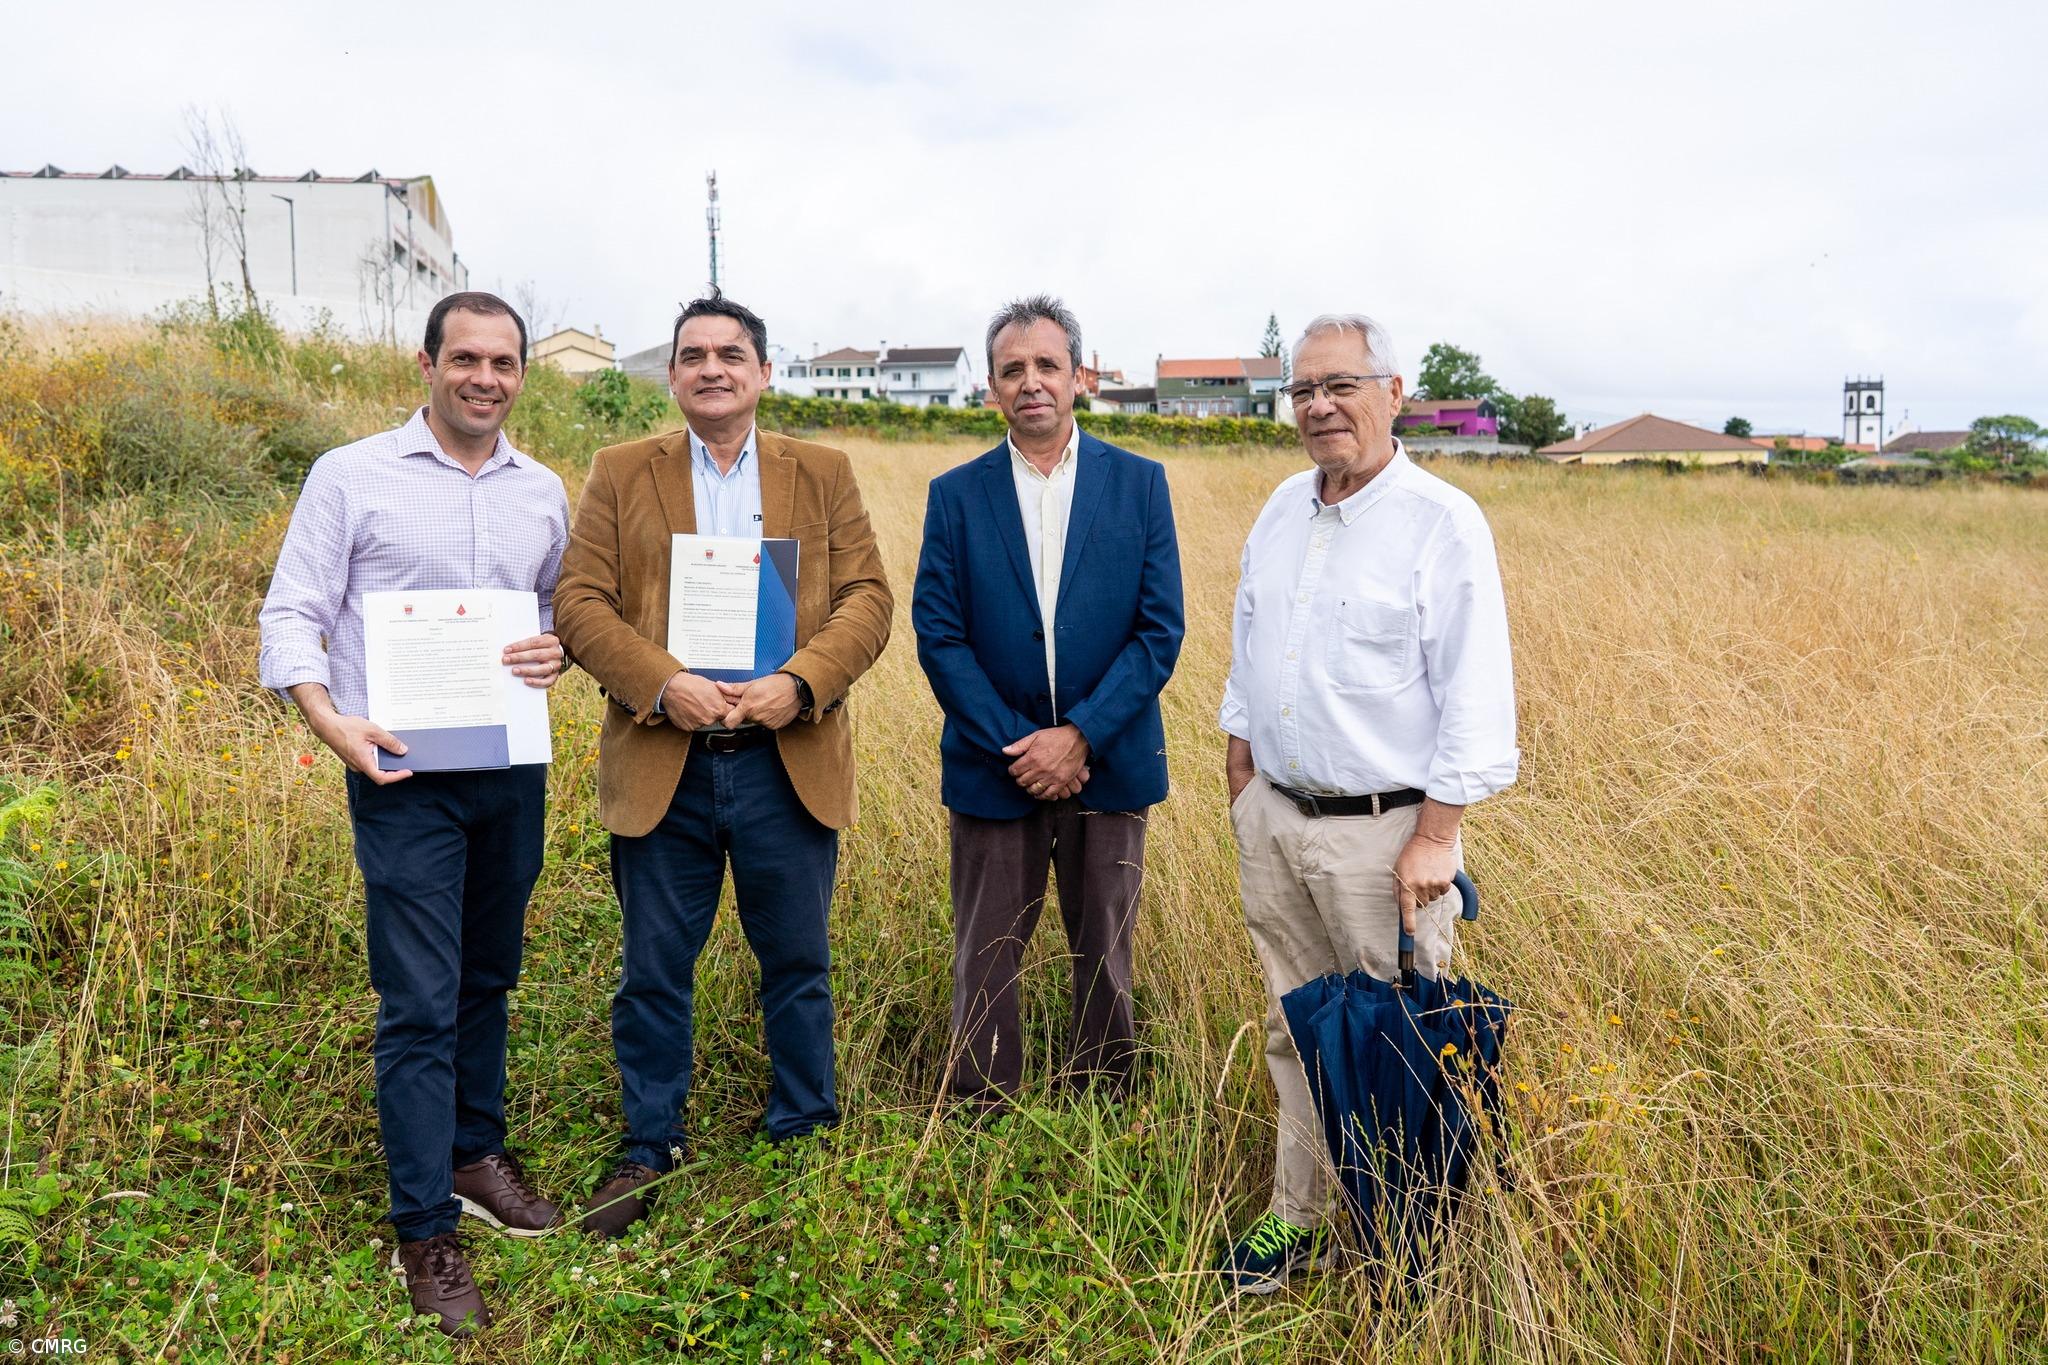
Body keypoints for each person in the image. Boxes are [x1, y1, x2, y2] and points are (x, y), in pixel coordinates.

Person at [257, 291, 570, 1336]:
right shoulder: (351, 476)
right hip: (399, 775)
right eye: (466, 359)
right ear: (426, 365)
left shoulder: (543, 492)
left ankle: (474, 1153)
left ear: (521, 376)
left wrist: (557, 649)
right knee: (419, 998)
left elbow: (561, 612)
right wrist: (327, 721)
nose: (486, 378)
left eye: (504, 363)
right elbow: (294, 610)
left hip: (508, 770)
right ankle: (423, 1226)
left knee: (490, 973)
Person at [553, 291, 892, 1237]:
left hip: (788, 755)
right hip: (669, 759)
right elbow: (580, 602)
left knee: (797, 960)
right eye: (693, 354)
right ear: (672, 376)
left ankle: (803, 1129)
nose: (712, 368)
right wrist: (663, 683)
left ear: (763, 372)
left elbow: (867, 597)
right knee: (654, 968)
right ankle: (648, 1146)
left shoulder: (822, 471)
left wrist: (802, 680)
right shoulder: (622, 473)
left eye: (731, 354)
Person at [1215, 313, 1519, 1293]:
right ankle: (1293, 1221)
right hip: (1276, 822)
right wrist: (1241, 783)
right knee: (1293, 1033)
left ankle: (1402, 1252)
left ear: (1393, 392)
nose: (1317, 407)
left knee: (1396, 1050)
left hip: (1384, 841)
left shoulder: (1439, 521)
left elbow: (1475, 688)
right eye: (1301, 391)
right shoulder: (1279, 509)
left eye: (1339, 385)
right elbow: (1249, 647)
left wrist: (1436, 836)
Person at [912, 295, 1184, 1109]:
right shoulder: (955, 494)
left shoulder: (1139, 484)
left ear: (1079, 378)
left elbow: (1158, 630)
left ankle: (1103, 1098)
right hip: (997, 769)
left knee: (1105, 943)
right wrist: (1022, 745)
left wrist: (1082, 737)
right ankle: (984, 1104)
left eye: (1047, 366)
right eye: (1012, 370)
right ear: (992, 388)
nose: (1031, 382)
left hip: (1112, 764)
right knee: (987, 948)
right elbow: (940, 634)